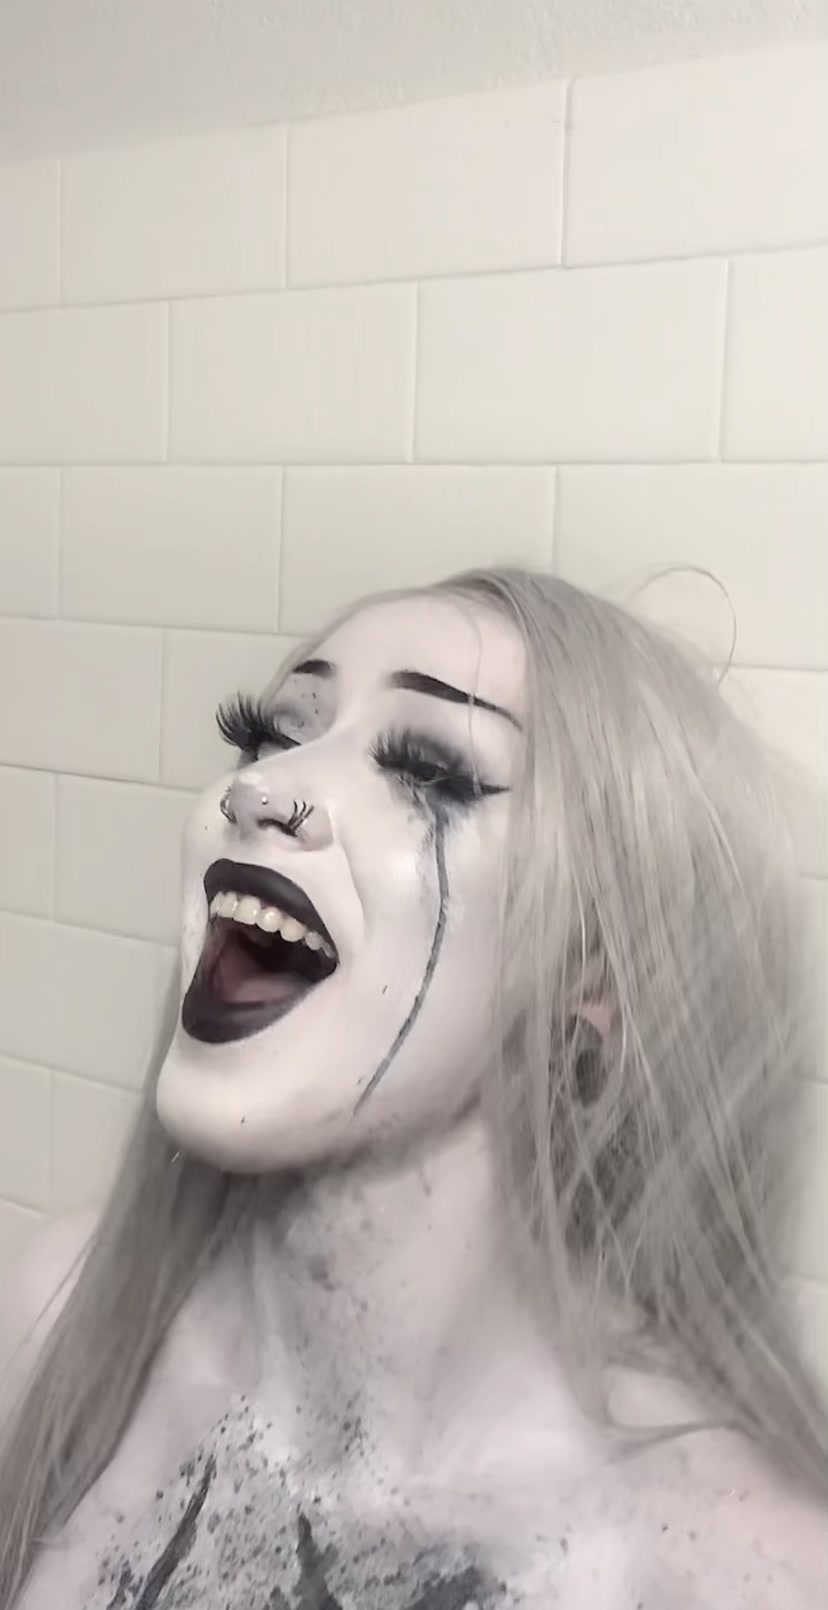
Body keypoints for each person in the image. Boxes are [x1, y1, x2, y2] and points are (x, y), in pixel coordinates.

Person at [0, 568, 825, 1609]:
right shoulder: (52, 1316)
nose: (260, 790)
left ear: (594, 976)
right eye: (267, 735)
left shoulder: (737, 1566)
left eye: (432, 771)